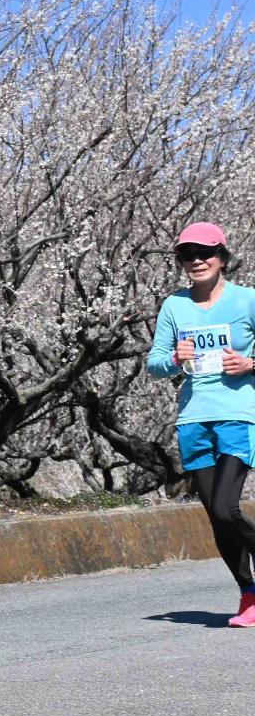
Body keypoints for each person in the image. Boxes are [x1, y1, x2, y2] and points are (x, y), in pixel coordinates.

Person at [147, 221, 255, 627]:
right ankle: (249, 595)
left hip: (238, 414)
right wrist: (175, 357)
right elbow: (154, 364)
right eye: (187, 254)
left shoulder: (247, 301)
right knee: (215, 514)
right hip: (193, 419)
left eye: (205, 253)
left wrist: (250, 364)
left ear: (222, 258)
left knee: (227, 508)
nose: (196, 261)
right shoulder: (175, 306)